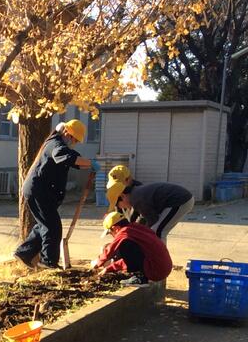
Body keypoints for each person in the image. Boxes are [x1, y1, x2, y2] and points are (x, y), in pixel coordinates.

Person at [14, 119, 100, 269]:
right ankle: (48, 262)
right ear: (67, 133)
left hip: (41, 191)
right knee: (53, 227)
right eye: (74, 139)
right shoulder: (56, 144)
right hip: (38, 191)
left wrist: (88, 164)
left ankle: (24, 253)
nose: (74, 143)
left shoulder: (61, 145)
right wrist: (90, 163)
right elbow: (65, 156)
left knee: (44, 225)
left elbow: (73, 160)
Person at [91, 211, 172, 286]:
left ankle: (140, 278)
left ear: (116, 228)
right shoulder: (136, 228)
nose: (112, 236)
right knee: (127, 246)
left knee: (124, 245)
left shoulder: (124, 232)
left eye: (110, 233)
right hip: (163, 268)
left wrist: (97, 263)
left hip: (155, 271)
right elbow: (134, 258)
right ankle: (140, 276)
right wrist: (109, 268)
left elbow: (110, 250)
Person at [107, 180, 194, 242]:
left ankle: (160, 259)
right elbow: (143, 217)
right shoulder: (135, 194)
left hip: (180, 201)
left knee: (157, 231)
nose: (120, 207)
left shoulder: (137, 199)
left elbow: (152, 219)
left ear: (122, 196)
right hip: (175, 201)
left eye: (117, 204)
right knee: (154, 230)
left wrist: (138, 233)